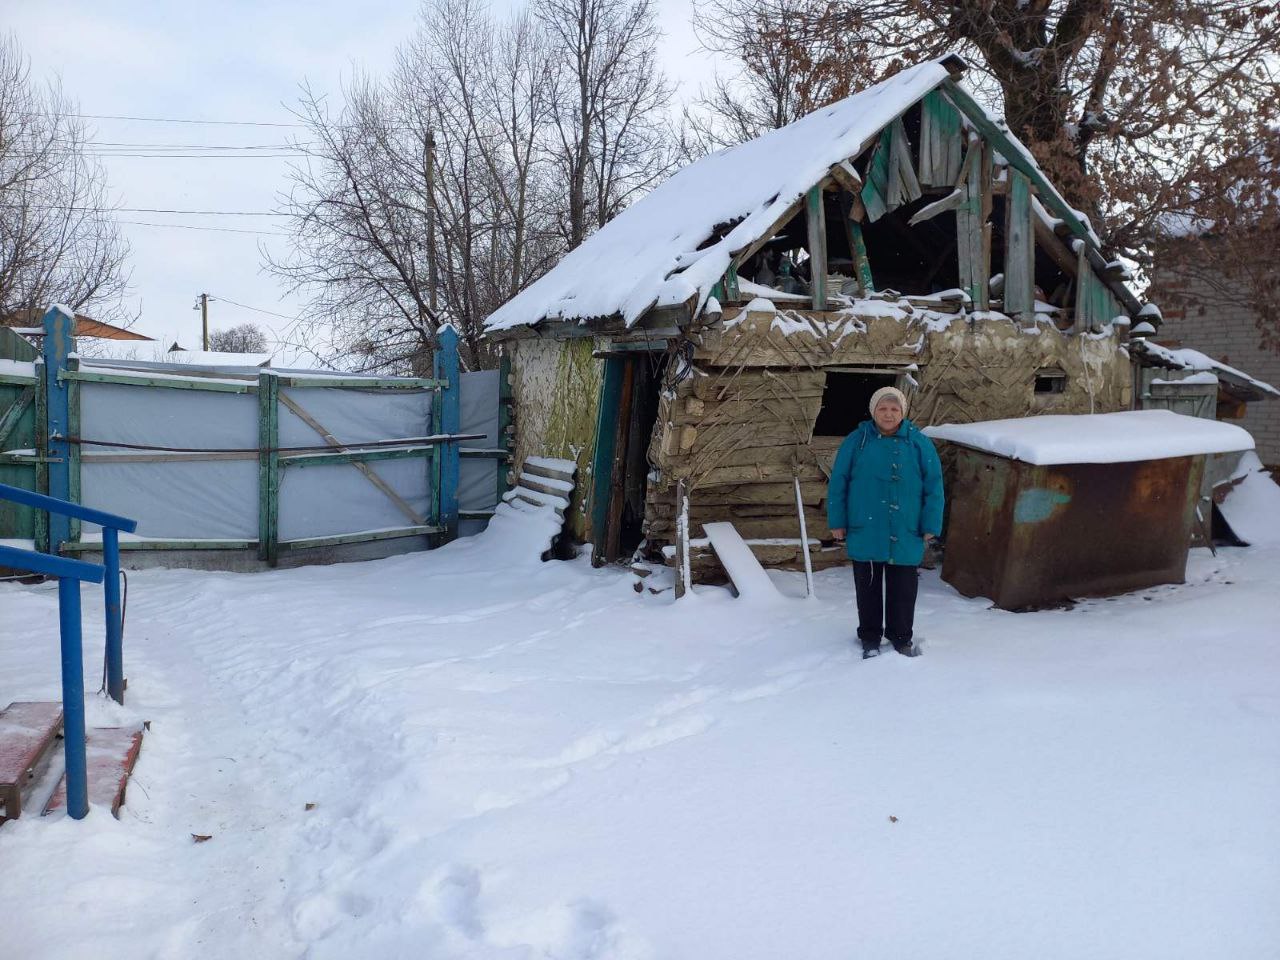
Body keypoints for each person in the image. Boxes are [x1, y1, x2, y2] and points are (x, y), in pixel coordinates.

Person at [827, 386, 944, 659]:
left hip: (906, 527)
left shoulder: (919, 443)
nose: (888, 414)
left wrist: (930, 525)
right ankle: (870, 637)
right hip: (866, 526)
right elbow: (839, 483)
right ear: (873, 411)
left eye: (894, 409)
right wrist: (838, 520)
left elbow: (934, 487)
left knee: (903, 589)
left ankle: (901, 637)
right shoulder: (857, 441)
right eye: (883, 408)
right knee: (867, 588)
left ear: (902, 412)